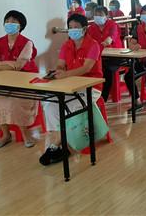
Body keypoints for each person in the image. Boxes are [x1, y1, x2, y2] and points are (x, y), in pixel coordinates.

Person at [40, 13, 103, 166]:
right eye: (70, 27)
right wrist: (57, 70)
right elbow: (61, 64)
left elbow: (86, 68)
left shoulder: (93, 45)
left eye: (76, 27)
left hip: (91, 86)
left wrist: (65, 74)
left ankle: (55, 145)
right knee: (50, 105)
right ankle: (59, 143)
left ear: (84, 29)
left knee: (71, 107)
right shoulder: (66, 45)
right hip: (70, 86)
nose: (72, 30)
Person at [0, 10, 39, 149]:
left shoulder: (27, 43)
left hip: (24, 82)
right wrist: (9, 64)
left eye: (14, 22)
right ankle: (6, 135)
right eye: (7, 21)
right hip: (4, 81)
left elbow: (19, 66)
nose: (9, 24)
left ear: (20, 26)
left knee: (16, 103)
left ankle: (26, 135)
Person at [88, 6, 124, 101]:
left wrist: (107, 41)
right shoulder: (91, 28)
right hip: (99, 56)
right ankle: (92, 95)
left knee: (107, 70)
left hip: (114, 56)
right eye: (96, 15)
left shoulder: (113, 25)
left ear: (106, 16)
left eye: (100, 15)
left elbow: (111, 37)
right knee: (91, 69)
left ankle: (103, 98)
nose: (97, 17)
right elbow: (88, 41)